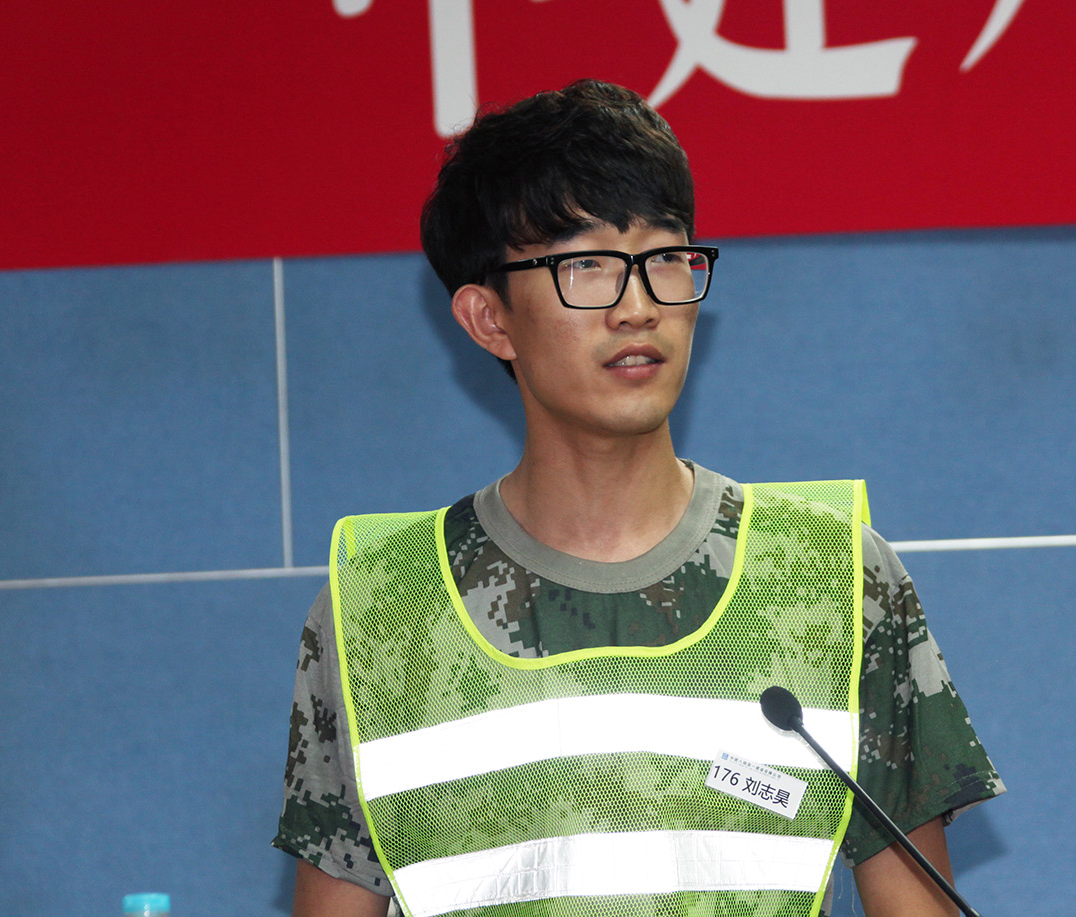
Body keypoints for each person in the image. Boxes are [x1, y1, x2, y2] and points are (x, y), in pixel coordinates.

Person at [273, 79, 1002, 917]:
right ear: (489, 319)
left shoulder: (837, 583)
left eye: (663, 258)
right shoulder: (376, 615)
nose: (638, 306)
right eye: (584, 265)